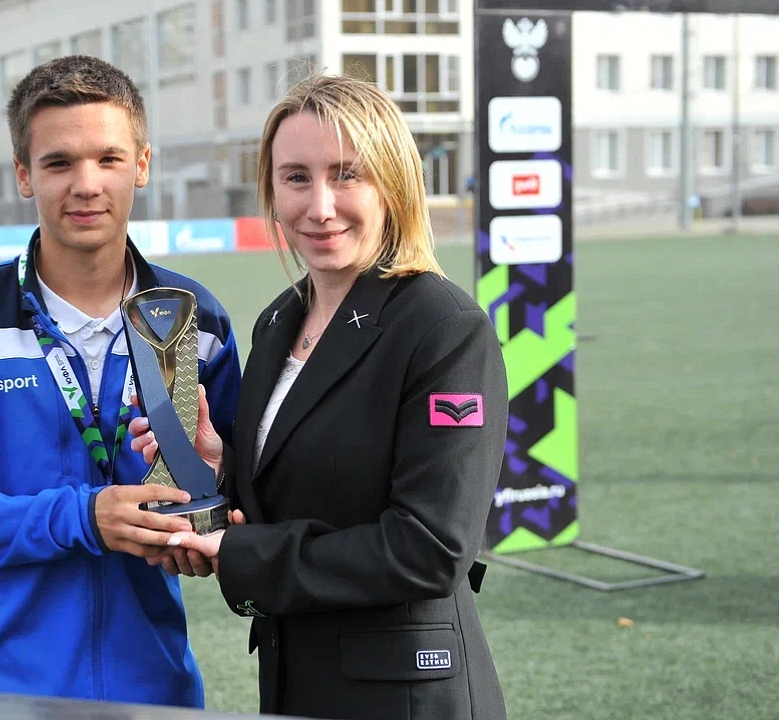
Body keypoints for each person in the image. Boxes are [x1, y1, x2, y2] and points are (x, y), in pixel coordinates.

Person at [130, 72, 509, 720]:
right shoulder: (279, 321)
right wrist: (215, 470)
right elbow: (306, 490)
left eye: (346, 175)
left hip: (402, 696)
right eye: (297, 177)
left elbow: (430, 549)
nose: (320, 206)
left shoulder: (444, 329)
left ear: (392, 183)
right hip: (296, 678)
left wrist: (241, 554)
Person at [0, 55, 242, 708]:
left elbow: (234, 487)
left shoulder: (193, 319)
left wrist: (213, 514)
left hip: (151, 689)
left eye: (108, 158)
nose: (86, 184)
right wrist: (82, 517)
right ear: (24, 174)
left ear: (142, 164)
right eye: (59, 163)